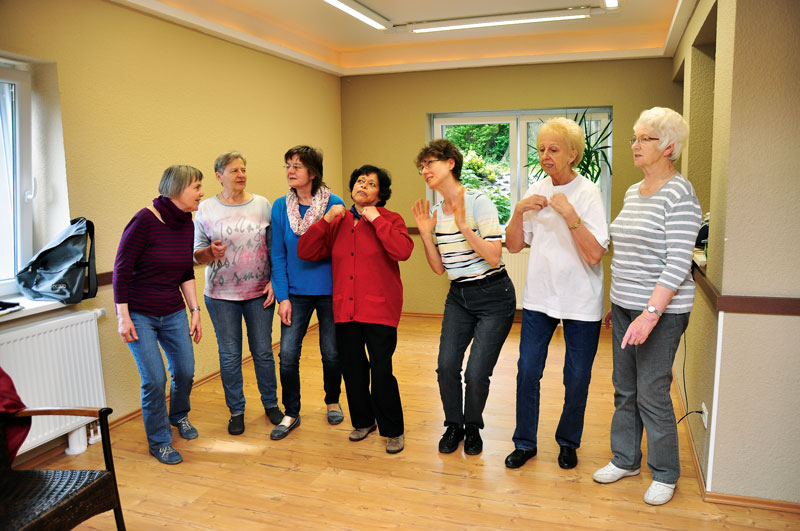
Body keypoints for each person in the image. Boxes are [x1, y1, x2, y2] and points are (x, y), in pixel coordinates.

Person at [593, 107, 701, 506]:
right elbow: (627, 254)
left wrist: (650, 313)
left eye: (645, 139)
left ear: (669, 147)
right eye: (634, 138)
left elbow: (677, 263)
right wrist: (617, 304)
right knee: (625, 388)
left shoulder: (680, 195)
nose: (635, 145)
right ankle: (625, 459)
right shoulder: (631, 192)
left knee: (651, 391)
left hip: (662, 313)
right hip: (624, 306)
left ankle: (665, 472)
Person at [503, 117, 609, 470]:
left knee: (576, 376)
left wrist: (570, 215)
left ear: (573, 155)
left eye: (553, 149)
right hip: (540, 299)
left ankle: (568, 442)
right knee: (527, 370)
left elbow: (595, 254)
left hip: (581, 302)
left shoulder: (589, 193)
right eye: (542, 149)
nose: (545, 155)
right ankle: (525, 442)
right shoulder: (537, 189)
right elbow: (515, 246)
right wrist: (518, 211)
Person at [297, 165, 413, 454]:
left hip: (380, 310)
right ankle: (363, 422)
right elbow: (306, 251)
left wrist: (375, 219)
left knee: (382, 370)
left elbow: (403, 251)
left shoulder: (391, 219)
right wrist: (325, 219)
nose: (363, 185)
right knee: (352, 369)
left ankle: (392, 429)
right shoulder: (339, 221)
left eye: (371, 184)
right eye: (360, 180)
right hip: (345, 310)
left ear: (380, 194)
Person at [411, 139, 516, 456]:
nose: (425, 170)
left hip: (494, 296)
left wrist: (463, 227)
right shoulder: (433, 212)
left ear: (450, 163)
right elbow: (438, 268)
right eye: (422, 167)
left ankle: (473, 428)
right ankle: (453, 425)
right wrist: (427, 234)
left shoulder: (478, 201)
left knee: (475, 372)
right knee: (446, 367)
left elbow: (495, 255)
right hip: (459, 296)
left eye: (430, 163)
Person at [113, 165, 204, 465]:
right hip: (140, 314)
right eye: (196, 186)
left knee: (185, 370)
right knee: (154, 379)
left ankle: (179, 415)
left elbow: (185, 271)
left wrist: (195, 310)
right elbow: (121, 270)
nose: (201, 192)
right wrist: (122, 317)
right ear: (177, 189)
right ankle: (160, 441)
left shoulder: (187, 222)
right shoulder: (144, 221)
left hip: (173, 310)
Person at [193, 152, 283, 436]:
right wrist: (210, 252)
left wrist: (274, 283)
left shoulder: (262, 205)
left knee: (263, 352)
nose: (241, 175)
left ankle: (271, 404)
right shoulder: (206, 209)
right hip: (220, 297)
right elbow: (196, 255)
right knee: (230, 356)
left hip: (259, 293)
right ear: (219, 176)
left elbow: (274, 248)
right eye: (234, 170)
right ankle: (237, 411)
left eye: (243, 170)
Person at [270, 145, 345, 440]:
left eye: (297, 166)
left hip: (329, 291)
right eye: (288, 165)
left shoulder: (334, 203)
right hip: (295, 294)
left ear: (312, 173)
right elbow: (276, 254)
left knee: (331, 352)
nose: (290, 170)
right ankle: (291, 412)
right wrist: (283, 297)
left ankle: (332, 400)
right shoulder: (279, 206)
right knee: (287, 354)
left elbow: (341, 252)